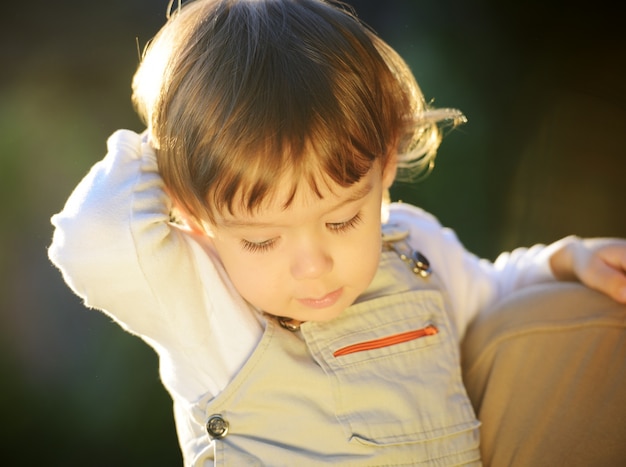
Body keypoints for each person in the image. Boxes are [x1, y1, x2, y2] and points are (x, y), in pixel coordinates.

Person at [48, 0, 626, 465]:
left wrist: (562, 261)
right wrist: (166, 144)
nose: (312, 263)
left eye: (343, 219)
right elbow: (90, 244)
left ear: (384, 168)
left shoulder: (413, 249)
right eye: (262, 240)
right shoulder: (207, 306)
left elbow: (489, 290)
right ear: (195, 215)